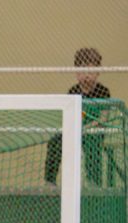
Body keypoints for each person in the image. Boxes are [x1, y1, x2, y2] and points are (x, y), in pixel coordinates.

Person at [44, 47, 112, 186]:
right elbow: (69, 116)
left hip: (94, 131)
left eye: (90, 72)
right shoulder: (73, 91)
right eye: (82, 71)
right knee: (55, 141)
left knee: (92, 145)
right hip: (76, 129)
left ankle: (93, 183)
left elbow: (103, 119)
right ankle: (50, 182)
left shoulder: (103, 92)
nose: (86, 76)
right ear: (76, 72)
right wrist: (75, 129)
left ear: (98, 72)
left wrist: (86, 128)